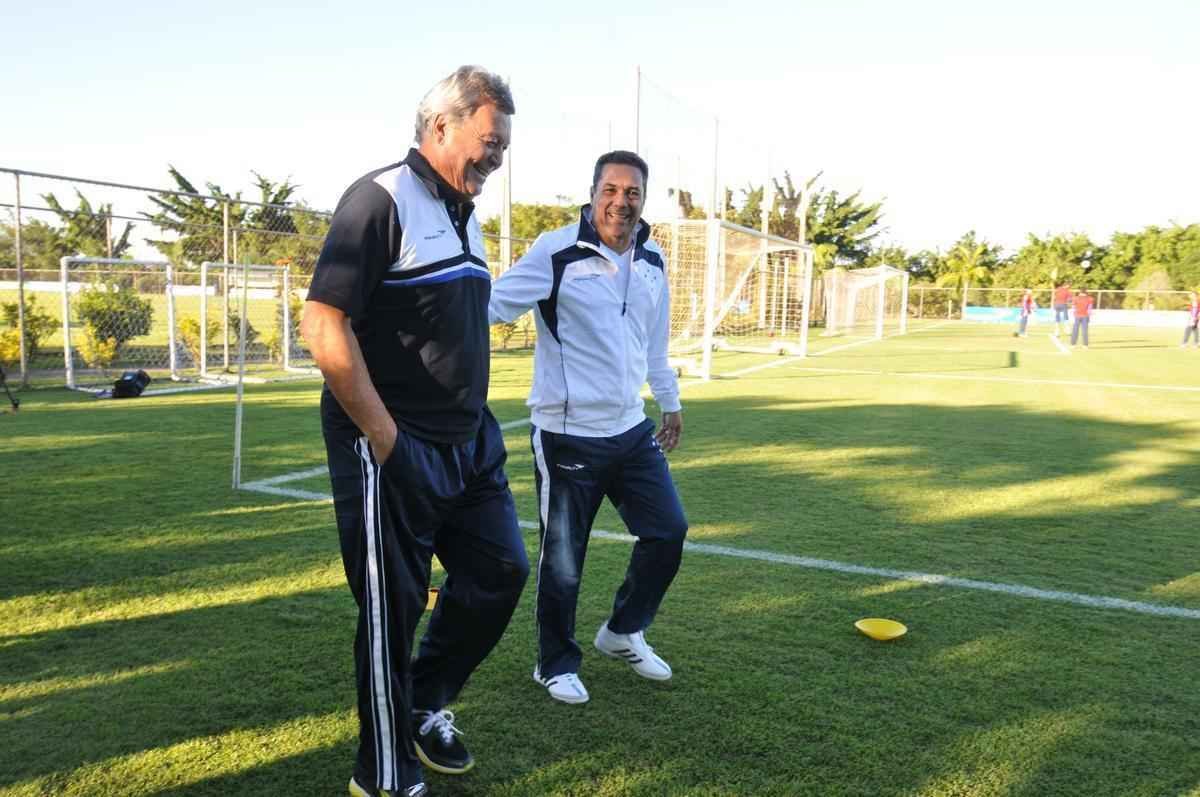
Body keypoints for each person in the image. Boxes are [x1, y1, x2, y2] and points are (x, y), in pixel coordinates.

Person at [300, 66, 529, 797]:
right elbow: (322, 324)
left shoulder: (467, 213)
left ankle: (424, 700)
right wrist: (385, 438)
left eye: (501, 148)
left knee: (500, 570)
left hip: (471, 444)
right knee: (391, 609)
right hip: (393, 444)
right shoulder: (379, 199)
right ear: (441, 127)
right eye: (489, 142)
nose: (495, 158)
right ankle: (383, 771)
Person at [489, 150, 688, 706]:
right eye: (611, 190)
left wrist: (668, 402)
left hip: (629, 429)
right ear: (593, 191)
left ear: (643, 200)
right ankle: (554, 664)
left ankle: (623, 632)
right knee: (564, 559)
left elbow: (654, 345)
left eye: (632, 193)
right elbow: (491, 305)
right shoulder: (555, 251)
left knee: (667, 532)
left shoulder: (652, 258)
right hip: (566, 432)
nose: (620, 202)